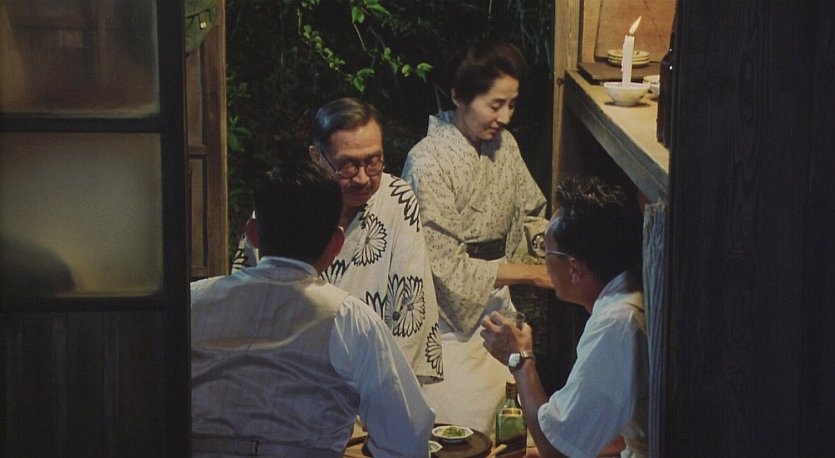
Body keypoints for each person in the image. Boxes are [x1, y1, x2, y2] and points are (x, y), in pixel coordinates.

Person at [191, 159, 435, 457]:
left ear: (252, 233)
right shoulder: (349, 319)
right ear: (336, 243)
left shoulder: (192, 301)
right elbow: (408, 437)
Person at [233, 97, 443, 384]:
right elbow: (251, 297)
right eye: (347, 165)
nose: (363, 178)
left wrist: (390, 388)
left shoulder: (397, 199)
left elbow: (410, 307)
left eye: (373, 162)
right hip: (290, 373)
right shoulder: (284, 199)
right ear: (316, 156)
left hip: (374, 374)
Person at [401, 41, 552, 434]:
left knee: (510, 422)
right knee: (461, 430)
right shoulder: (427, 160)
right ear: (458, 96)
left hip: (499, 305)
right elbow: (441, 264)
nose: (505, 117)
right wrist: (531, 273)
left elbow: (530, 213)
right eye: (495, 104)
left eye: (512, 104)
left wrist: (551, 251)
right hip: (448, 319)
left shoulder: (506, 146)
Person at [480, 176, 648, 458]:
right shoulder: (632, 293)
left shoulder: (616, 323)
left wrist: (519, 359)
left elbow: (557, 451)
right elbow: (615, 433)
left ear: (573, 269)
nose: (542, 260)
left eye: (546, 250)